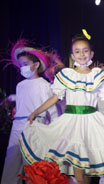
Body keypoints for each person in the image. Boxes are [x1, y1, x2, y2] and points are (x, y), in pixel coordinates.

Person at [18, 33, 104, 184]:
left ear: (91, 53)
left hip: (91, 122)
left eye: (85, 50)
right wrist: (36, 112)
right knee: (77, 170)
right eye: (78, 51)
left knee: (85, 168)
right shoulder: (67, 75)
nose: (82, 54)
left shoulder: (98, 75)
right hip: (71, 122)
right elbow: (55, 98)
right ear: (73, 55)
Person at [1, 39, 59, 184]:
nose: (22, 68)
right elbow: (22, 99)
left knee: (33, 163)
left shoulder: (44, 85)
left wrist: (56, 129)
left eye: (25, 64)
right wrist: (9, 99)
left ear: (36, 65)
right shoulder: (20, 85)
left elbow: (50, 107)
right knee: (12, 161)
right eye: (21, 65)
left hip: (35, 125)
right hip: (17, 125)